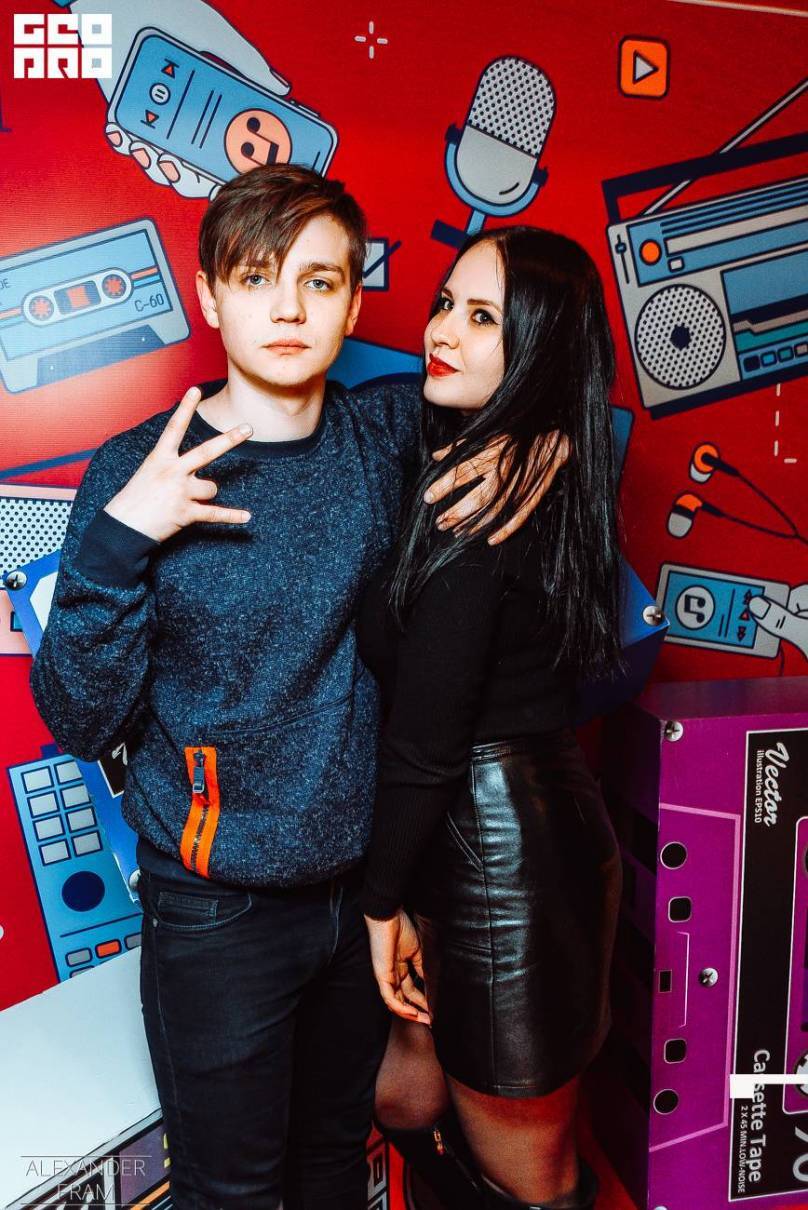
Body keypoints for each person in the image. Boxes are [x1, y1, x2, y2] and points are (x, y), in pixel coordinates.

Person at [30, 167, 568, 1210]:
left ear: (354, 304)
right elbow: (80, 719)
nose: (287, 308)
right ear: (207, 296)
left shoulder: (391, 437)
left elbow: (530, 375)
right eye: (256, 277)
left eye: (318, 282)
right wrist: (116, 547)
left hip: (363, 901)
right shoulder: (138, 469)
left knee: (332, 1166)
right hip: (216, 910)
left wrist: (542, 442)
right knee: (231, 1191)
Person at [357, 227, 625, 1210]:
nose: (442, 332)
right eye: (446, 304)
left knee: (533, 1180)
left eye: (483, 318)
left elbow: (429, 740)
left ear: (540, 350)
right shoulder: (493, 461)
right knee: (404, 1097)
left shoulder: (487, 502)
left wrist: (380, 906)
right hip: (479, 835)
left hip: (502, 860)